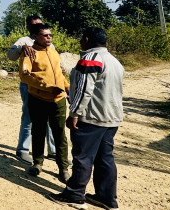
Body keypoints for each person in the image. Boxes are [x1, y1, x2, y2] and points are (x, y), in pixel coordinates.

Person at [48, 27, 124, 210]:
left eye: (82, 37)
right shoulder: (114, 61)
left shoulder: (90, 59)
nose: (80, 41)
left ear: (88, 39)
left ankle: (74, 195)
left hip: (91, 117)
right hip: (111, 118)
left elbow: (84, 90)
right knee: (105, 158)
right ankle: (106, 198)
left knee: (82, 157)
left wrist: (74, 113)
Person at [19, 23, 71, 182]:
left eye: (50, 35)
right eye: (45, 35)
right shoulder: (29, 53)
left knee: (60, 134)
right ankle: (37, 163)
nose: (49, 38)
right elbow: (25, 76)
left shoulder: (53, 52)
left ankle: (63, 168)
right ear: (35, 37)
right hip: (38, 99)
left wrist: (68, 88)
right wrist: (46, 87)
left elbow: (59, 74)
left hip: (58, 100)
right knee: (38, 131)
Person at [8, 14, 57, 165]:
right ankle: (22, 149)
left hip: (47, 86)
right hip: (29, 85)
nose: (37, 27)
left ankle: (53, 151)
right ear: (29, 27)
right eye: (34, 25)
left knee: (49, 117)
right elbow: (11, 56)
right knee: (29, 116)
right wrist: (22, 48)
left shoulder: (48, 42)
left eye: (39, 24)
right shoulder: (24, 41)